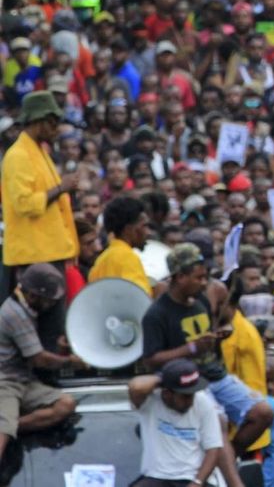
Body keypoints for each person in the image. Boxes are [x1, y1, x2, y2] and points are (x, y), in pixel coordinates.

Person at [141, 243, 274, 456]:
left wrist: (220, 334)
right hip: (189, 382)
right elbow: (151, 359)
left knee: (263, 412)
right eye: (199, 278)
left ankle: (229, 458)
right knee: (217, 422)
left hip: (216, 374)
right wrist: (191, 348)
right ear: (180, 277)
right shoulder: (157, 314)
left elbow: (208, 332)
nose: (205, 283)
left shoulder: (202, 299)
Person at [0, 263, 82, 476]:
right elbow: (39, 359)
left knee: (66, 404)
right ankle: (6, 429)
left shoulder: (27, 308)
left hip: (24, 381)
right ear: (34, 295)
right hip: (5, 381)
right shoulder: (14, 313)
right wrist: (69, 362)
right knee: (1, 437)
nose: (50, 304)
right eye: (48, 299)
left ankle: (12, 427)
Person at [1, 91, 78, 307]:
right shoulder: (18, 155)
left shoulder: (40, 152)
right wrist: (61, 188)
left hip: (49, 251)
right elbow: (24, 203)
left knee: (53, 324)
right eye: (53, 122)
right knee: (47, 326)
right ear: (38, 121)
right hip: (34, 256)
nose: (56, 129)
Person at [128, 358, 223, 487]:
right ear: (167, 394)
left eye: (193, 394)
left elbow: (213, 449)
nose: (191, 401)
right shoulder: (150, 402)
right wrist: (165, 377)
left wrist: (197, 482)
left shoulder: (204, 403)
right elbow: (136, 387)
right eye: (185, 396)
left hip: (193, 478)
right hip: (156, 477)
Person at [89, 195, 153, 296]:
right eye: (144, 226)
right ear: (128, 230)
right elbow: (139, 299)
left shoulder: (102, 259)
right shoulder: (128, 258)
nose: (148, 232)